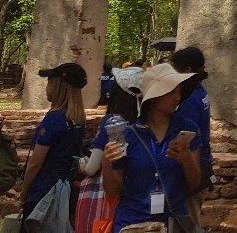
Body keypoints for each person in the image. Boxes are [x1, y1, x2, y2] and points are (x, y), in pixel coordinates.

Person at [101, 64, 201, 232]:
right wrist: (106, 161)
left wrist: (186, 160)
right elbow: (112, 190)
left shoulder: (187, 130)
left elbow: (194, 184)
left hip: (172, 222)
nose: (177, 97)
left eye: (178, 91)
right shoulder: (128, 134)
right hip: (132, 223)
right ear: (154, 97)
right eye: (171, 91)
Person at [21, 63, 86, 231]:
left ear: (58, 86)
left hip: (44, 191)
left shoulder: (54, 119)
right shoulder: (77, 120)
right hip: (65, 189)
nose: (47, 87)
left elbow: (35, 163)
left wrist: (24, 192)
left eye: (49, 82)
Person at [78, 68, 142, 233]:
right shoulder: (144, 124)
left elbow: (92, 168)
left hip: (110, 196)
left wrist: (81, 164)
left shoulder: (113, 123)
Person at [170, 47, 213, 228]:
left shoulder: (188, 100)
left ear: (186, 71)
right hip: (204, 161)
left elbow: (186, 139)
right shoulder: (200, 91)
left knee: (188, 224)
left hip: (194, 167)